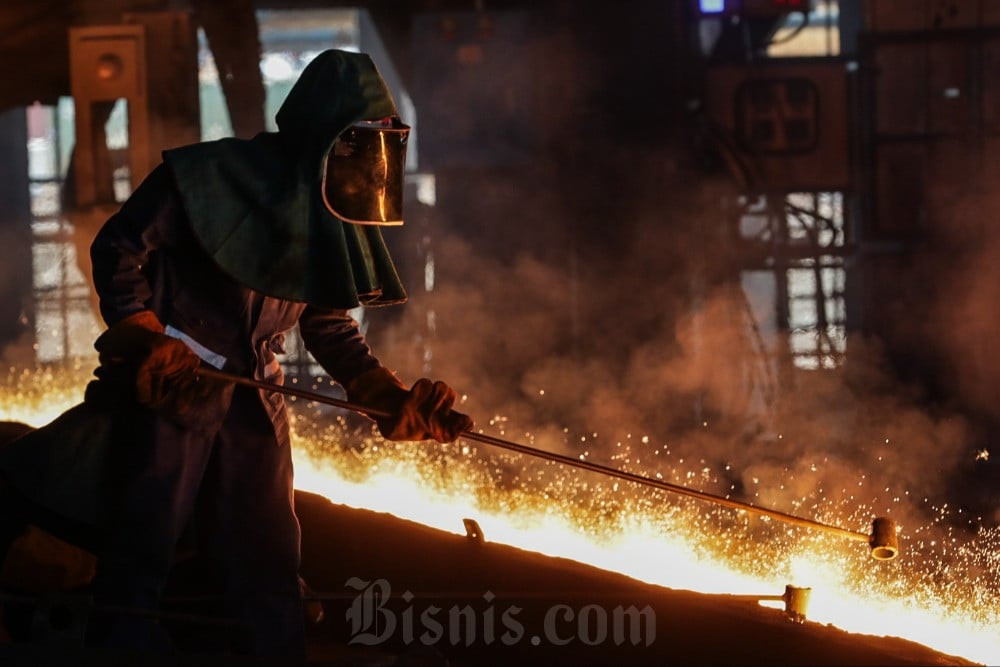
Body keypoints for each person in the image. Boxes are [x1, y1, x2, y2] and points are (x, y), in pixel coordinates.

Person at [84, 49, 472, 659]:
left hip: (254, 393)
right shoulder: (205, 178)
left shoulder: (333, 204)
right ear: (327, 134)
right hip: (174, 385)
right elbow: (119, 248)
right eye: (359, 139)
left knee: (267, 553)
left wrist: (386, 396)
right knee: (143, 545)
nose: (370, 157)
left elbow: (328, 324)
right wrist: (145, 334)